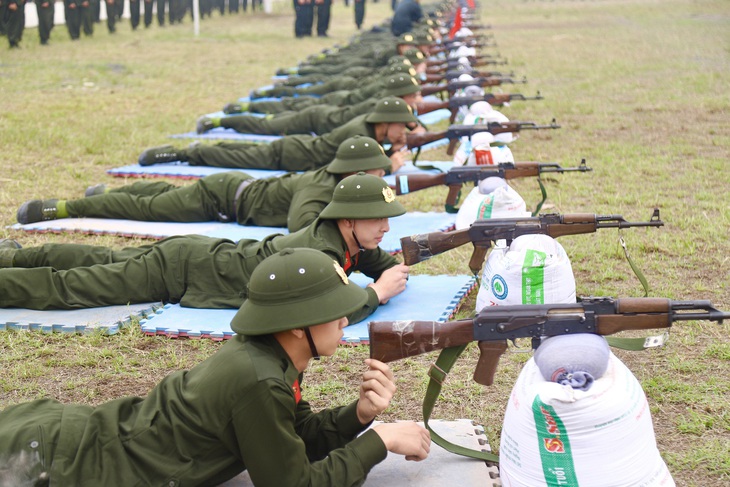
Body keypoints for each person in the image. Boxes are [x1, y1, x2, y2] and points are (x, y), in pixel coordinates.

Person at [0, 247, 431, 486]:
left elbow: (292, 439)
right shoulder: (259, 377)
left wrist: (358, 416)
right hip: (52, 462)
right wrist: (379, 440)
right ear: (297, 326)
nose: (344, 319)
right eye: (334, 310)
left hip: (62, 438)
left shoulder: (269, 357)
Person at [1, 173, 410, 325]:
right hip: (182, 270)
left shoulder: (343, 237)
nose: (385, 228)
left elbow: (379, 261)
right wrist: (379, 291)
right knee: (73, 288)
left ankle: (14, 256)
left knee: (102, 260)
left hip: (196, 256)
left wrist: (386, 270)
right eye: (377, 219)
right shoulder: (320, 255)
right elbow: (337, 309)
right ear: (347, 219)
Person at [17, 136, 393, 233]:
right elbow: (301, 225)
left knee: (165, 197)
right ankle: (62, 207)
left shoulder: (336, 183)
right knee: (150, 210)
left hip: (231, 192)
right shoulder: (319, 187)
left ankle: (108, 194)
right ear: (355, 173)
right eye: (377, 175)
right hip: (223, 199)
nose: (380, 181)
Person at [139, 96, 417, 172]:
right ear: (387, 122)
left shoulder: (370, 132)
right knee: (238, 157)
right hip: (292, 154)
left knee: (242, 154)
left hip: (296, 150)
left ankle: (203, 147)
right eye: (402, 126)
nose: (404, 132)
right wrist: (389, 166)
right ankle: (182, 153)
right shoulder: (362, 136)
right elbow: (365, 174)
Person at [199, 73, 424, 137]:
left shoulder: (388, 103)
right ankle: (221, 119)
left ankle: (248, 106)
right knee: (273, 121)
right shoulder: (383, 106)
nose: (415, 101)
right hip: (321, 115)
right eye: (412, 97)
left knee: (284, 110)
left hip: (329, 111)